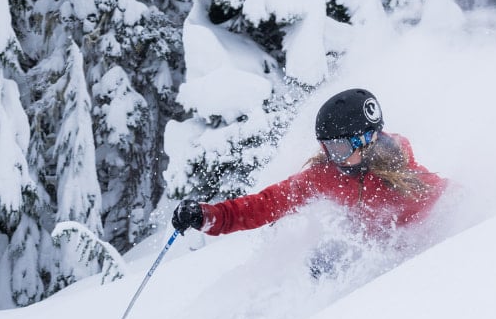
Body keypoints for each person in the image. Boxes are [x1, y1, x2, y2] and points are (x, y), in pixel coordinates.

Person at [171, 88, 448, 242]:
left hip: (403, 259)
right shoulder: (325, 176)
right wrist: (208, 215)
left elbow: (453, 203)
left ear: (366, 141)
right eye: (326, 148)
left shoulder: (404, 179)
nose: (332, 157)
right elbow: (266, 204)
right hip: (358, 249)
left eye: (338, 148)